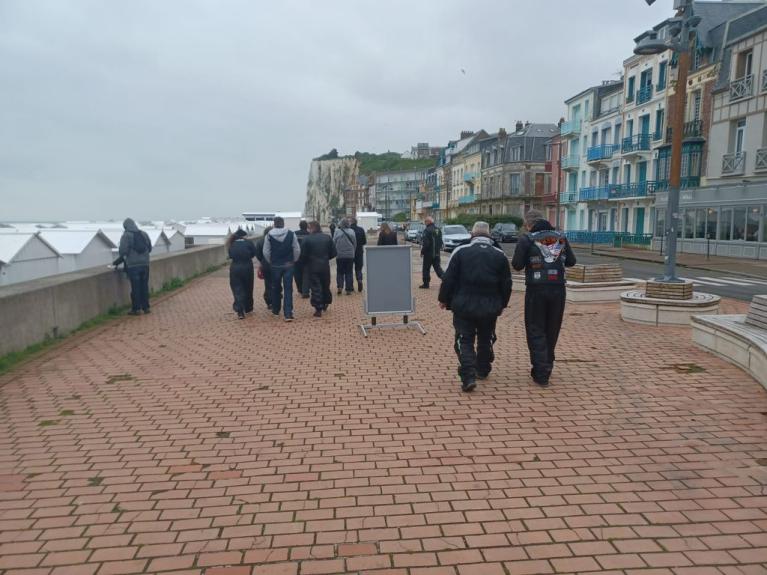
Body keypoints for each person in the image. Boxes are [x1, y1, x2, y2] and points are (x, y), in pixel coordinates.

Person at [438, 221, 512, 393]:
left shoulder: (460, 251)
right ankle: (483, 369)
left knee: (464, 340)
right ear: (489, 235)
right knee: (486, 337)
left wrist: (443, 299)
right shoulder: (499, 254)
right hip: (490, 306)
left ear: (472, 234)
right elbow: (506, 283)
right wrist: (503, 304)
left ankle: (468, 376)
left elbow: (449, 278)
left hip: (463, 305)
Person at [511, 210, 577, 387]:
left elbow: (517, 265)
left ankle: (541, 372)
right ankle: (547, 365)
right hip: (558, 290)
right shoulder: (560, 237)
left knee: (535, 328)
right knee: (552, 328)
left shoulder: (526, 239)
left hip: (536, 289)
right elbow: (571, 261)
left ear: (529, 224)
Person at [263, 216, 301, 322]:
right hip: (288, 265)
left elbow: (266, 251)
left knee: (275, 287)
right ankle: (288, 314)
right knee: (288, 289)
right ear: (283, 223)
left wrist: (271, 261)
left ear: (274, 224)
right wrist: (294, 260)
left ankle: (275, 310)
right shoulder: (291, 234)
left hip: (275, 265)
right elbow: (297, 249)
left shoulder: (269, 235)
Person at [300, 221, 336, 317]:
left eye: (309, 228)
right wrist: (325, 258)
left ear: (312, 228)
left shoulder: (307, 239)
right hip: (324, 266)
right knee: (325, 285)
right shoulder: (327, 238)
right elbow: (334, 253)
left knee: (316, 287)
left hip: (312, 266)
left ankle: (318, 307)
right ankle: (326, 302)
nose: (308, 230)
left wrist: (304, 263)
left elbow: (302, 254)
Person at [118, 218, 153, 315]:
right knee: (144, 286)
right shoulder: (144, 234)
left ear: (125, 227)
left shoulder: (126, 236)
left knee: (135, 287)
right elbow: (150, 248)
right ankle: (146, 307)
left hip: (133, 266)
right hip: (145, 264)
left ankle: (136, 309)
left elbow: (123, 251)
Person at [227, 228, 257, 319]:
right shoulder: (249, 243)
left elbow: (230, 255)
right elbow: (254, 253)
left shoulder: (232, 244)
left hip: (235, 268)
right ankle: (248, 307)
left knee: (237, 289)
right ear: (244, 236)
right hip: (247, 267)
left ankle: (240, 311)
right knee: (248, 287)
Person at [333, 219, 357, 295]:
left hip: (339, 255)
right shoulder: (352, 231)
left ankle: (340, 287)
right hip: (350, 255)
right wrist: (353, 251)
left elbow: (334, 242)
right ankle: (348, 289)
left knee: (340, 272)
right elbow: (355, 243)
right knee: (349, 272)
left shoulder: (337, 231)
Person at [420, 217, 443, 289]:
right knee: (438, 268)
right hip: (437, 253)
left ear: (428, 222)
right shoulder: (438, 229)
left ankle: (426, 284)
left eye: (425, 221)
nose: (425, 223)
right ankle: (446, 279)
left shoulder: (427, 230)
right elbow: (441, 242)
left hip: (428, 254)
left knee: (426, 269)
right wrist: (437, 250)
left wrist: (422, 252)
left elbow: (426, 244)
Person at [254, 227, 272, 309]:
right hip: (276, 264)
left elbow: (258, 254)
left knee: (268, 283)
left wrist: (262, 261)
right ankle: (276, 298)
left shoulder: (260, 241)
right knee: (277, 282)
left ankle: (269, 301)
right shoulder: (275, 240)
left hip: (265, 265)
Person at [350, 217, 367, 292]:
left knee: (349, 270)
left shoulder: (348, 230)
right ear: (356, 222)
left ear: (351, 222)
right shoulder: (361, 229)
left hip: (350, 251)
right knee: (358, 268)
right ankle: (359, 280)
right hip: (359, 251)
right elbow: (364, 242)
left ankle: (350, 286)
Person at [294, 220, 310, 298]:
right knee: (306, 274)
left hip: (296, 257)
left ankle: (300, 289)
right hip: (307, 257)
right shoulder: (309, 234)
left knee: (297, 274)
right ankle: (305, 290)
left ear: (299, 226)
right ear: (307, 226)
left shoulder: (294, 234)